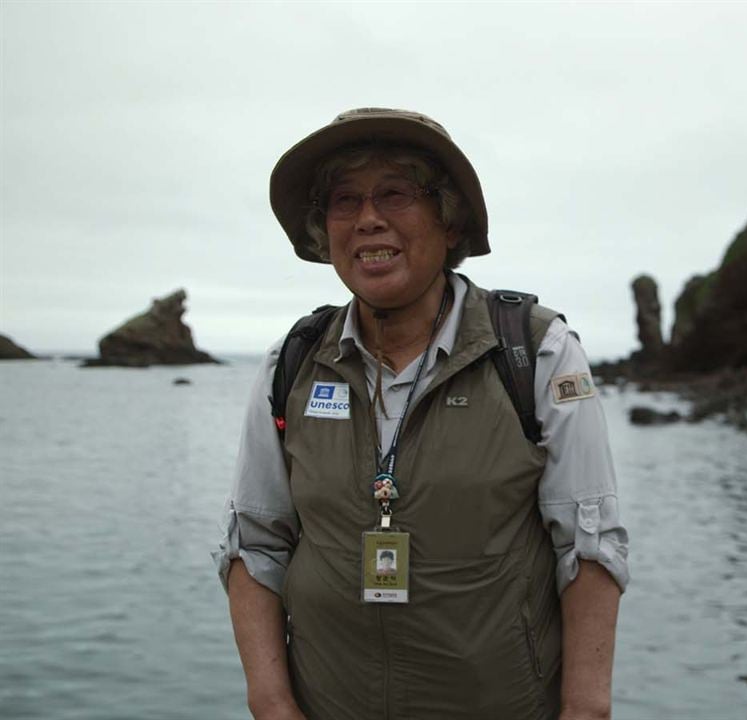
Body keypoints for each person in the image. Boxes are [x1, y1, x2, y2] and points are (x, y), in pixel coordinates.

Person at [214, 108, 629, 720]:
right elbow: (254, 542)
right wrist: (273, 705)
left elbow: (588, 545)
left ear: (448, 215)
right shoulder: (293, 361)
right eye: (344, 200)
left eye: (395, 194)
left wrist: (586, 709)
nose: (367, 218)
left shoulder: (535, 351)